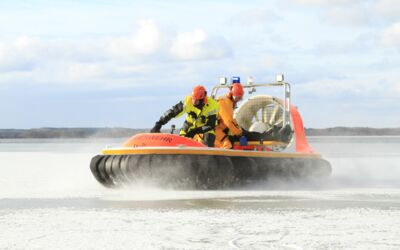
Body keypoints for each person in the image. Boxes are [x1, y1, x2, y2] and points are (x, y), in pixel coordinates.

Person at [150, 85, 219, 147]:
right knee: (180, 143)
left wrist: (194, 132)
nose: (193, 103)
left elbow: (210, 125)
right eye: (193, 99)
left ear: (202, 100)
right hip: (188, 126)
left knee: (208, 140)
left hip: (206, 129)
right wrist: (159, 123)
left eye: (196, 101)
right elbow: (173, 111)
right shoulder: (187, 101)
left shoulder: (213, 105)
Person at [214, 83, 245, 149]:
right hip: (215, 130)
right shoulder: (225, 102)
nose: (238, 100)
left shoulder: (230, 103)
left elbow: (231, 120)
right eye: (237, 98)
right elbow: (228, 121)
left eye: (240, 98)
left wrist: (240, 130)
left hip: (220, 129)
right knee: (227, 145)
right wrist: (239, 134)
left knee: (231, 140)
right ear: (232, 94)